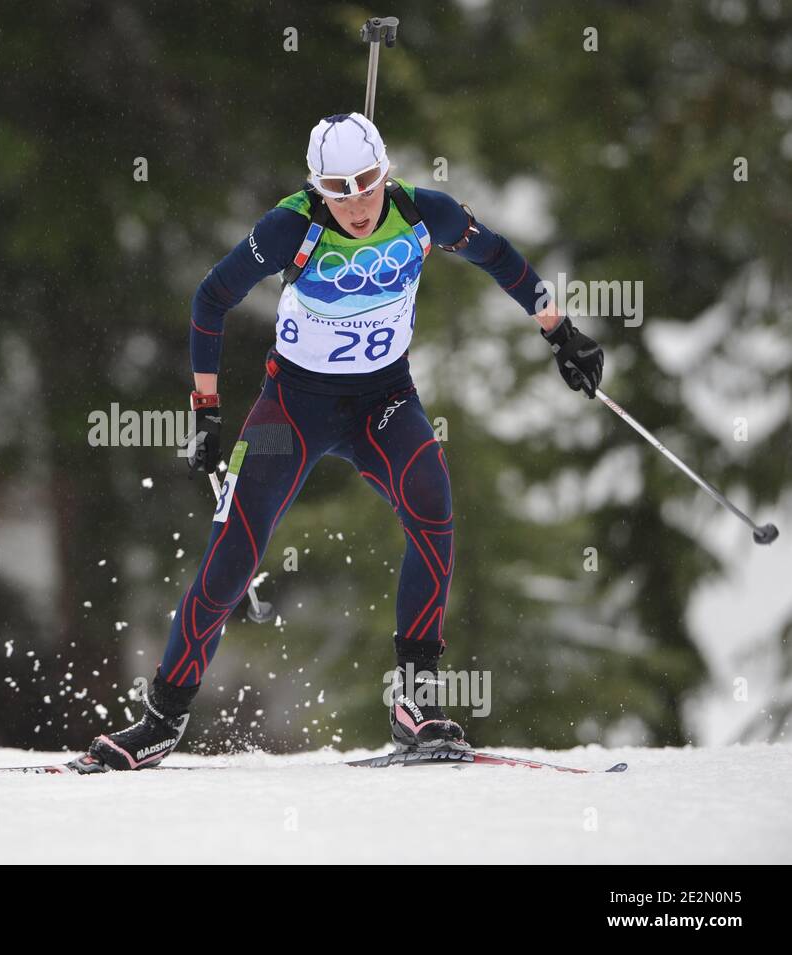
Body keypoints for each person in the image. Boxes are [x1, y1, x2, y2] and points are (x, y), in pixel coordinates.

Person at [86, 112, 604, 770]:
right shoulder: (290, 225)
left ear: (386, 173)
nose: (356, 202)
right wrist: (206, 412)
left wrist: (561, 333)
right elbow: (209, 301)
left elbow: (498, 255)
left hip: (384, 401)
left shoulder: (423, 213)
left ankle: (415, 701)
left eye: (367, 183)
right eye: (338, 187)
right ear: (317, 187)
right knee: (228, 562)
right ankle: (160, 720)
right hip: (291, 408)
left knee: (433, 506)